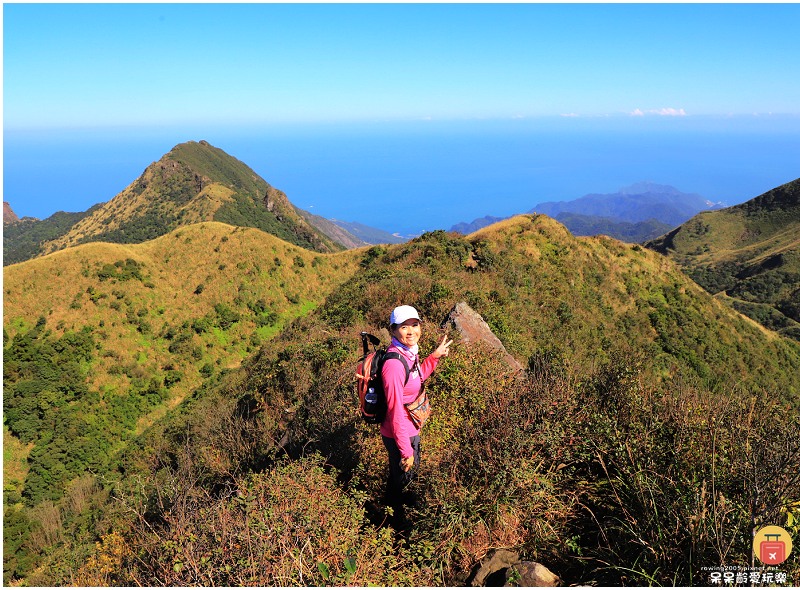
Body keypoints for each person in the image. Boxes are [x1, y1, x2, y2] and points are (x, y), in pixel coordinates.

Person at [380, 305, 452, 516]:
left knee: (399, 476)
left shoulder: (408, 353)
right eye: (404, 327)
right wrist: (406, 451)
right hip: (400, 432)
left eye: (414, 325)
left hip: (408, 428)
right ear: (393, 330)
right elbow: (394, 413)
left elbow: (415, 377)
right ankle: (396, 522)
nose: (411, 331)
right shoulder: (394, 365)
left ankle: (392, 508)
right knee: (405, 481)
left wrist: (435, 356)